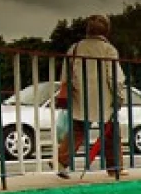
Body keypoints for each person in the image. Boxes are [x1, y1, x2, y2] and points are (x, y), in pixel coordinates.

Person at [55, 14, 128, 179]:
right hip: (104, 99)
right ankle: (115, 167)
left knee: (77, 131)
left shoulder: (74, 48)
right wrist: (119, 97)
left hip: (80, 97)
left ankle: (61, 162)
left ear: (87, 30)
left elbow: (65, 76)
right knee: (111, 133)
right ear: (106, 32)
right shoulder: (109, 50)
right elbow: (115, 78)